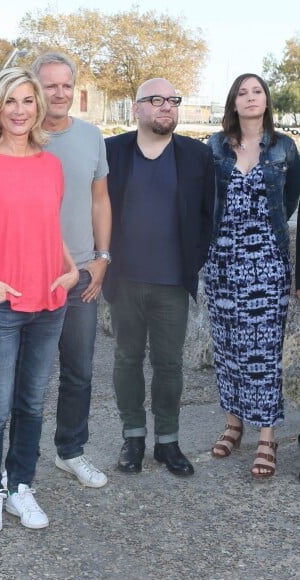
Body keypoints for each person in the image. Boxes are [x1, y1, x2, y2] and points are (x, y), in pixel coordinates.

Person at [0, 67, 78, 534]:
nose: (20, 110)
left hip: (49, 301)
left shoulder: (52, 165)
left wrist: (71, 268)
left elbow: (48, 226)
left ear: (38, 107)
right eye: (11, 101)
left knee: (31, 404)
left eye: (28, 100)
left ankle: (21, 484)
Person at [104, 78, 214, 477]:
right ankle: (133, 437)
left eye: (173, 100)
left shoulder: (196, 156)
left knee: (169, 366)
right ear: (136, 109)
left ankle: (167, 442)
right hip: (125, 280)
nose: (166, 107)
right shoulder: (112, 151)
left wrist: (193, 262)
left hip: (172, 283)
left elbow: (207, 215)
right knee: (127, 360)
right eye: (156, 100)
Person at [206, 74, 300, 478]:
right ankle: (233, 424)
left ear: (266, 100)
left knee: (262, 352)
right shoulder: (214, 145)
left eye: (256, 91)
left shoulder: (284, 147)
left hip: (267, 262)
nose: (250, 98)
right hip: (222, 260)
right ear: (233, 102)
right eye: (242, 93)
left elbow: (290, 198)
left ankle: (266, 436)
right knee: (227, 347)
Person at [31, 52, 111, 488]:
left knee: (78, 370)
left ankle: (71, 451)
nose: (59, 93)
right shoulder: (21, 138)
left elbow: (100, 200)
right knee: (27, 375)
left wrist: (103, 258)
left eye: (66, 85)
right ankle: (17, 462)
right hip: (30, 276)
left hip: (80, 273)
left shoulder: (91, 136)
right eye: (50, 85)